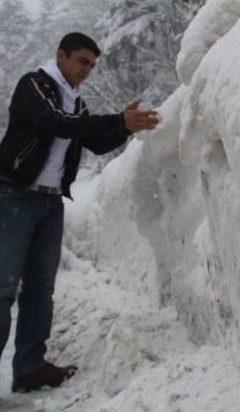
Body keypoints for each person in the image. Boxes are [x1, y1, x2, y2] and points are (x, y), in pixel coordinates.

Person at [0, 32, 159, 393]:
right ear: (61, 56)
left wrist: (125, 126)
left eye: (92, 65)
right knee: (3, 287)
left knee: (40, 289)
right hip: (13, 198)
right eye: (81, 62)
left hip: (50, 204)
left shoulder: (77, 103)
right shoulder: (35, 86)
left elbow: (96, 141)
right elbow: (57, 123)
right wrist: (115, 118)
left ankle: (29, 368)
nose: (87, 70)